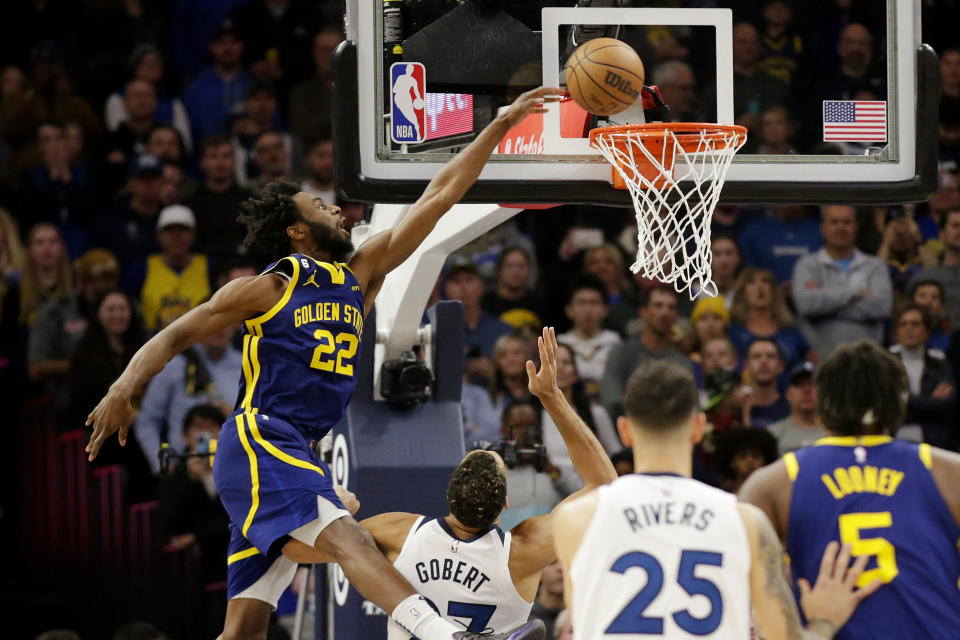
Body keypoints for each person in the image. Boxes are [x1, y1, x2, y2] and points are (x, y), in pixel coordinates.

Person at [85, 86, 563, 640]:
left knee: (244, 629)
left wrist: (500, 126)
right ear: (296, 230)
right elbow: (176, 334)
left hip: (296, 450)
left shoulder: (360, 276)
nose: (336, 207)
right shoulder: (271, 287)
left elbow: (438, 198)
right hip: (260, 439)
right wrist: (124, 388)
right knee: (352, 538)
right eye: (319, 205)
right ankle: (445, 636)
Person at [553, 358, 879, 640]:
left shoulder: (575, 519)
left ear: (624, 431)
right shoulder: (745, 520)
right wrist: (825, 620)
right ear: (698, 428)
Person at [350, 328, 616, 637]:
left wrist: (337, 512)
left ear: (449, 493)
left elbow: (307, 549)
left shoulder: (398, 531)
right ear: (505, 504)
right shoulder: (523, 550)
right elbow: (604, 486)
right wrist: (551, 397)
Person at [740, 340, 960, 639]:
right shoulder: (949, 471)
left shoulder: (772, 483)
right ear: (898, 399)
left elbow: (748, 601)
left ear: (822, 399)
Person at [158, 404, 232, 639]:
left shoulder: (237, 472)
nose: (206, 436)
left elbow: (240, 519)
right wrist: (190, 481)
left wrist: (198, 535)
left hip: (230, 563)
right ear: (185, 437)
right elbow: (168, 524)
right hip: (192, 577)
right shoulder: (174, 477)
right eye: (199, 430)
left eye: (213, 429)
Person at [135, 323, 241, 474]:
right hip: (183, 467)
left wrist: (235, 416)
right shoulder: (175, 364)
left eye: (228, 321)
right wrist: (163, 464)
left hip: (236, 466)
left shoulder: (247, 364)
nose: (221, 327)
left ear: (237, 325)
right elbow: (147, 420)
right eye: (216, 321)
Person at [792, 205, 893, 357]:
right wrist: (855, 292)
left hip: (868, 360)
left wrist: (824, 307)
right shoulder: (807, 265)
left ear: (856, 227)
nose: (841, 227)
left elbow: (882, 306)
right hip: (820, 360)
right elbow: (807, 305)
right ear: (823, 228)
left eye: (846, 222)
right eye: (834, 222)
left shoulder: (874, 266)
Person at [28, 249, 119, 412]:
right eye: (96, 282)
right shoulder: (55, 312)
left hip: (114, 395)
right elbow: (36, 367)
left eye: (109, 282)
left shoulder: (120, 311)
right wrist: (84, 366)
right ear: (83, 281)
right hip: (68, 400)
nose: (104, 288)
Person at [599, 286, 692, 421]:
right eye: (658, 305)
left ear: (676, 316)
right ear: (643, 312)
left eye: (671, 307)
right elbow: (611, 400)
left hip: (669, 436)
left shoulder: (682, 362)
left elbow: (688, 409)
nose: (665, 312)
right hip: (624, 433)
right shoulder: (620, 354)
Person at [540, 342, 620, 493]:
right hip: (546, 489)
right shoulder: (534, 414)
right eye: (554, 362)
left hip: (592, 489)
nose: (560, 367)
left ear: (575, 374)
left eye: (566, 362)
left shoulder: (597, 413)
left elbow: (616, 456)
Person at [124, 205, 212, 332]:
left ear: (193, 235)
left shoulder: (209, 267)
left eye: (183, 230)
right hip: (152, 343)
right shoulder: (141, 269)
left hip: (199, 342)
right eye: (169, 230)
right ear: (159, 235)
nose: (176, 236)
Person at [888, 304, 956, 449]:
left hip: (935, 443)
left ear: (926, 331)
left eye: (915, 324)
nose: (909, 328)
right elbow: (887, 408)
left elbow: (946, 405)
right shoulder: (884, 362)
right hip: (893, 441)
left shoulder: (940, 361)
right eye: (903, 324)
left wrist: (905, 399)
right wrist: (929, 401)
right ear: (896, 332)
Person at [729, 266, 812, 377]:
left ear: (773, 291)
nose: (760, 287)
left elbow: (813, 364)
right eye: (751, 282)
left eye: (765, 281)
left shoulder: (790, 330)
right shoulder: (733, 332)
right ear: (742, 292)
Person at [181, 20, 254, 145]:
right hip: (208, 159)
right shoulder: (195, 90)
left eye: (234, 42)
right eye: (222, 42)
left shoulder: (254, 86)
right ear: (211, 47)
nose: (228, 48)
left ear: (242, 46)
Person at [186, 135, 253, 263]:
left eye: (226, 156)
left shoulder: (250, 201)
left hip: (241, 268)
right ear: (202, 163)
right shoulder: (191, 203)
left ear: (234, 161)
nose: (220, 162)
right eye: (213, 156)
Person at [557, 275, 620, 399]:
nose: (588, 309)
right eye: (581, 303)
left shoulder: (616, 344)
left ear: (605, 309)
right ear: (569, 310)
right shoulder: (559, 345)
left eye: (594, 303)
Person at [738, 204, 823, 287]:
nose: (789, 201)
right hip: (767, 295)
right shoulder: (753, 232)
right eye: (785, 192)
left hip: (812, 294)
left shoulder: (821, 231)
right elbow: (748, 272)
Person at [19, 223, 72, 327]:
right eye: (39, 242)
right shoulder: (16, 293)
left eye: (53, 242)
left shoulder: (75, 288)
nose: (46, 248)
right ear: (28, 251)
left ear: (62, 249)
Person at [768, 361, 826, 455]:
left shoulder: (840, 432)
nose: (806, 390)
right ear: (788, 393)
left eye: (812, 384)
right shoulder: (773, 435)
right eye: (799, 384)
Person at [482, 246, 543, 331]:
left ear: (529, 270)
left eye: (521, 266)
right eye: (509, 266)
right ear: (498, 270)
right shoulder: (485, 304)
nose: (515, 271)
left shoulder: (541, 303)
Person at [714, 426, 779, 493]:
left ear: (766, 461)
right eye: (743, 456)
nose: (750, 461)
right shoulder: (722, 496)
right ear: (732, 462)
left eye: (756, 455)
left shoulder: (774, 497)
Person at [742, 338, 790, 429]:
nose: (764, 361)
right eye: (756, 356)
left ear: (781, 366)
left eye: (771, 356)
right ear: (746, 366)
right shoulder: (736, 409)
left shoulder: (792, 407)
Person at [910, 278, 950, 350]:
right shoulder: (901, 328)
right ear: (912, 301)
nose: (928, 301)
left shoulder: (948, 333)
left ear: (941, 305)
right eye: (922, 296)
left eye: (934, 297)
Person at [528, 561, 564, 639]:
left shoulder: (579, 616)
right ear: (538, 572)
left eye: (565, 561)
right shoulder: (524, 619)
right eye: (552, 562)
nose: (560, 568)